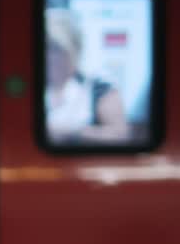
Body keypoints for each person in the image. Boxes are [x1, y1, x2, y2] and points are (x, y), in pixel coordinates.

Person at [44, 8, 130, 145]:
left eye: (56, 49)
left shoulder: (100, 87)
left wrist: (74, 133)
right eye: (44, 48)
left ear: (75, 49)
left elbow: (120, 135)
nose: (49, 56)